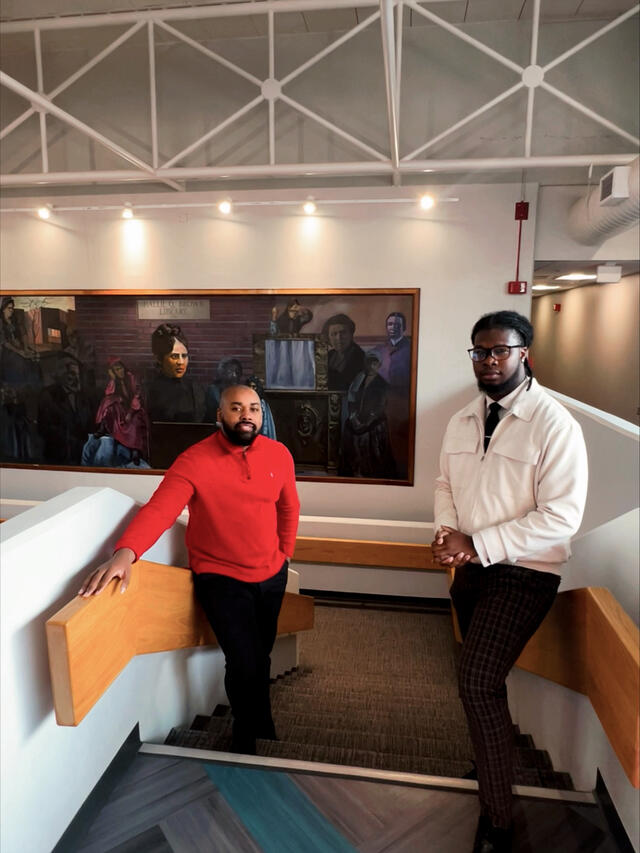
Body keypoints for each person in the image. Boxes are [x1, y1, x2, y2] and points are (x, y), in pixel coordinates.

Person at [431, 311, 588, 853]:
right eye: (480, 351)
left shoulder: (554, 423)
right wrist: (447, 531)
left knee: (476, 683)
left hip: (525, 573)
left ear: (526, 354)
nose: (489, 360)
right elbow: (445, 485)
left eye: (501, 350)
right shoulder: (461, 420)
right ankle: (490, 763)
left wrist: (476, 544)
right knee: (482, 688)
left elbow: (561, 517)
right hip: (472, 573)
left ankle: (499, 821)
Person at [78, 384, 300, 756]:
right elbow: (160, 511)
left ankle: (262, 720)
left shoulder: (279, 455)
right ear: (219, 415)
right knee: (243, 659)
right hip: (221, 578)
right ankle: (249, 737)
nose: (247, 415)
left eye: (254, 409)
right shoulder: (194, 460)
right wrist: (125, 553)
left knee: (261, 655)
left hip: (272, 575)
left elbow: (289, 509)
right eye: (236, 407)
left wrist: (286, 556)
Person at [87, 357, 150, 468]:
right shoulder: (115, 381)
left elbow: (137, 396)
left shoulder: (131, 378)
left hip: (134, 409)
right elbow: (108, 393)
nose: (119, 372)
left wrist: (130, 412)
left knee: (135, 421)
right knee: (108, 402)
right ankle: (103, 428)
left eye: (120, 368)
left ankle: (135, 451)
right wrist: (112, 379)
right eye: (115, 370)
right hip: (121, 411)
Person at [341, 349, 395, 478]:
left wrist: (366, 423)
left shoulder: (382, 384)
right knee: (349, 430)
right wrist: (354, 418)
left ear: (379, 365)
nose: (371, 366)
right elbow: (351, 398)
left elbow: (380, 407)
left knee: (372, 450)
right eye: (369, 363)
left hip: (373, 422)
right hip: (357, 421)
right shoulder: (359, 378)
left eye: (374, 363)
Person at [145, 324, 210, 423]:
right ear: (160, 359)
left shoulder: (195, 388)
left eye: (184, 356)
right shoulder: (150, 390)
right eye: (174, 356)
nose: (181, 362)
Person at [322, 313, 365, 392]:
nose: (339, 338)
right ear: (328, 337)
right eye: (334, 334)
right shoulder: (328, 355)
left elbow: (344, 384)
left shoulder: (359, 356)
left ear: (351, 334)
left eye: (343, 333)